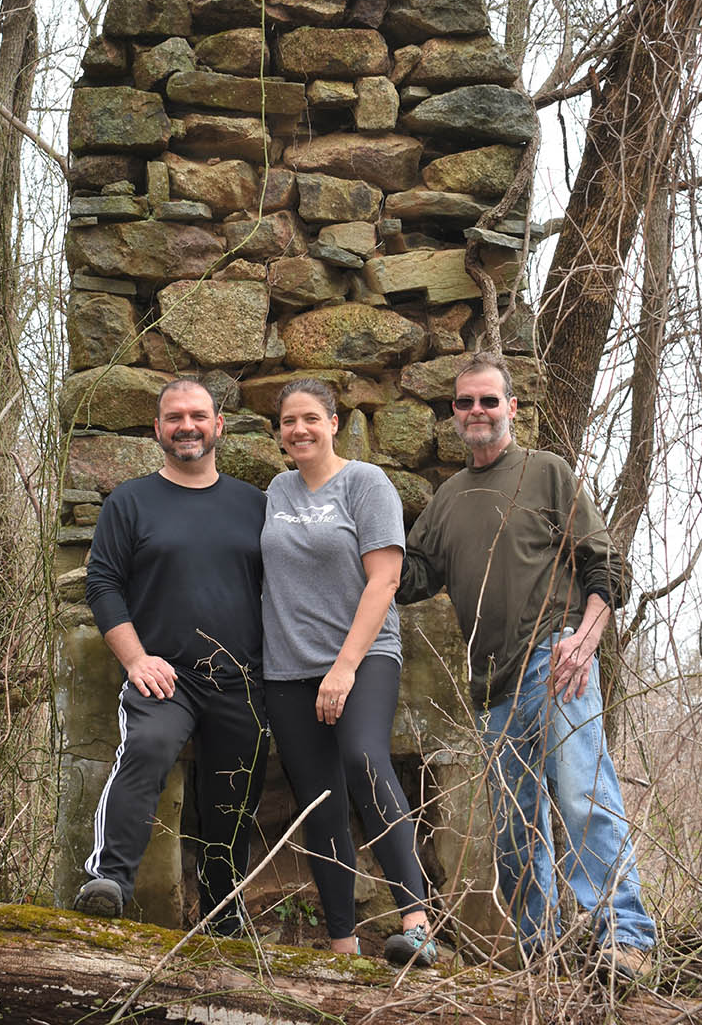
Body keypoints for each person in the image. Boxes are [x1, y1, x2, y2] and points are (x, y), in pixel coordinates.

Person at [398, 351, 656, 982]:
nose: (477, 411)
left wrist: (586, 638)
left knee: (582, 796)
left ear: (512, 408)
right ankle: (538, 956)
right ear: (454, 414)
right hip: (490, 683)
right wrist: (357, 538)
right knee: (516, 833)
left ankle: (626, 938)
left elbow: (608, 567)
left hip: (556, 658)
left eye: (490, 400)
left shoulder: (545, 472)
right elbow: (411, 579)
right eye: (466, 402)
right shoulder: (449, 499)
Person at [75, 378, 268, 936]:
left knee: (234, 790)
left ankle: (221, 911)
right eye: (175, 417)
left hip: (242, 678)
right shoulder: (129, 501)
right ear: (156, 429)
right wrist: (135, 659)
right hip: (164, 674)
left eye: (198, 416)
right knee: (148, 747)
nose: (187, 426)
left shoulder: (253, 504)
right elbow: (103, 585)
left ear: (218, 426)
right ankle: (109, 878)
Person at [261, 377, 436, 969]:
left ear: (335, 423)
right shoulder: (277, 491)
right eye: (288, 420)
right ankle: (342, 945)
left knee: (364, 759)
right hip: (287, 670)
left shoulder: (365, 483)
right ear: (279, 431)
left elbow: (385, 580)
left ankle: (416, 919)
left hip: (363, 658)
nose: (299, 430)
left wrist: (342, 668)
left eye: (311, 417)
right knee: (319, 801)